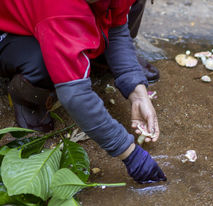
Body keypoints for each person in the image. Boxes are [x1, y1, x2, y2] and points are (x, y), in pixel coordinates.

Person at [0, 0, 166, 184]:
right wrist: (130, 153)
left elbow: (116, 29)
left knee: (132, 5)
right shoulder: (58, 8)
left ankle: (91, 56)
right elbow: (75, 95)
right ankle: (27, 97)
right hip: (10, 29)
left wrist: (138, 91)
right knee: (43, 63)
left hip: (55, 17)